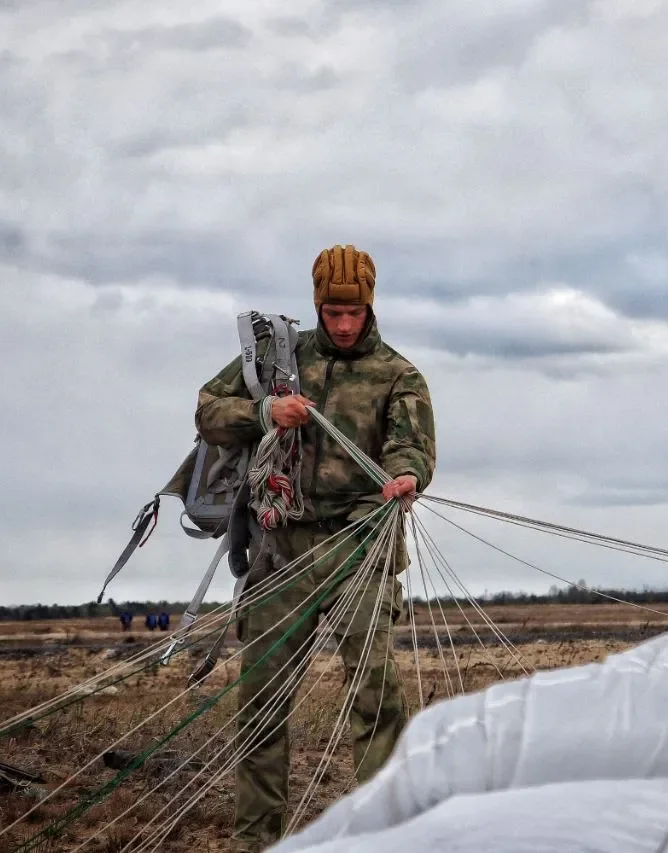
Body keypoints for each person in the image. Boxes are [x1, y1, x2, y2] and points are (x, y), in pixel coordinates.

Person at [194, 244, 436, 851]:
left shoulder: (398, 375)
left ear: (371, 307)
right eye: (333, 313)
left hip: (361, 551)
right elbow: (208, 411)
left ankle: (386, 840)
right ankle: (256, 843)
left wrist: (406, 476)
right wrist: (266, 411)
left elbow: (413, 449)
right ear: (317, 307)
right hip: (283, 556)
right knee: (260, 708)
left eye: (354, 313)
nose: (345, 325)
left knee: (376, 704)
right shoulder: (280, 361)